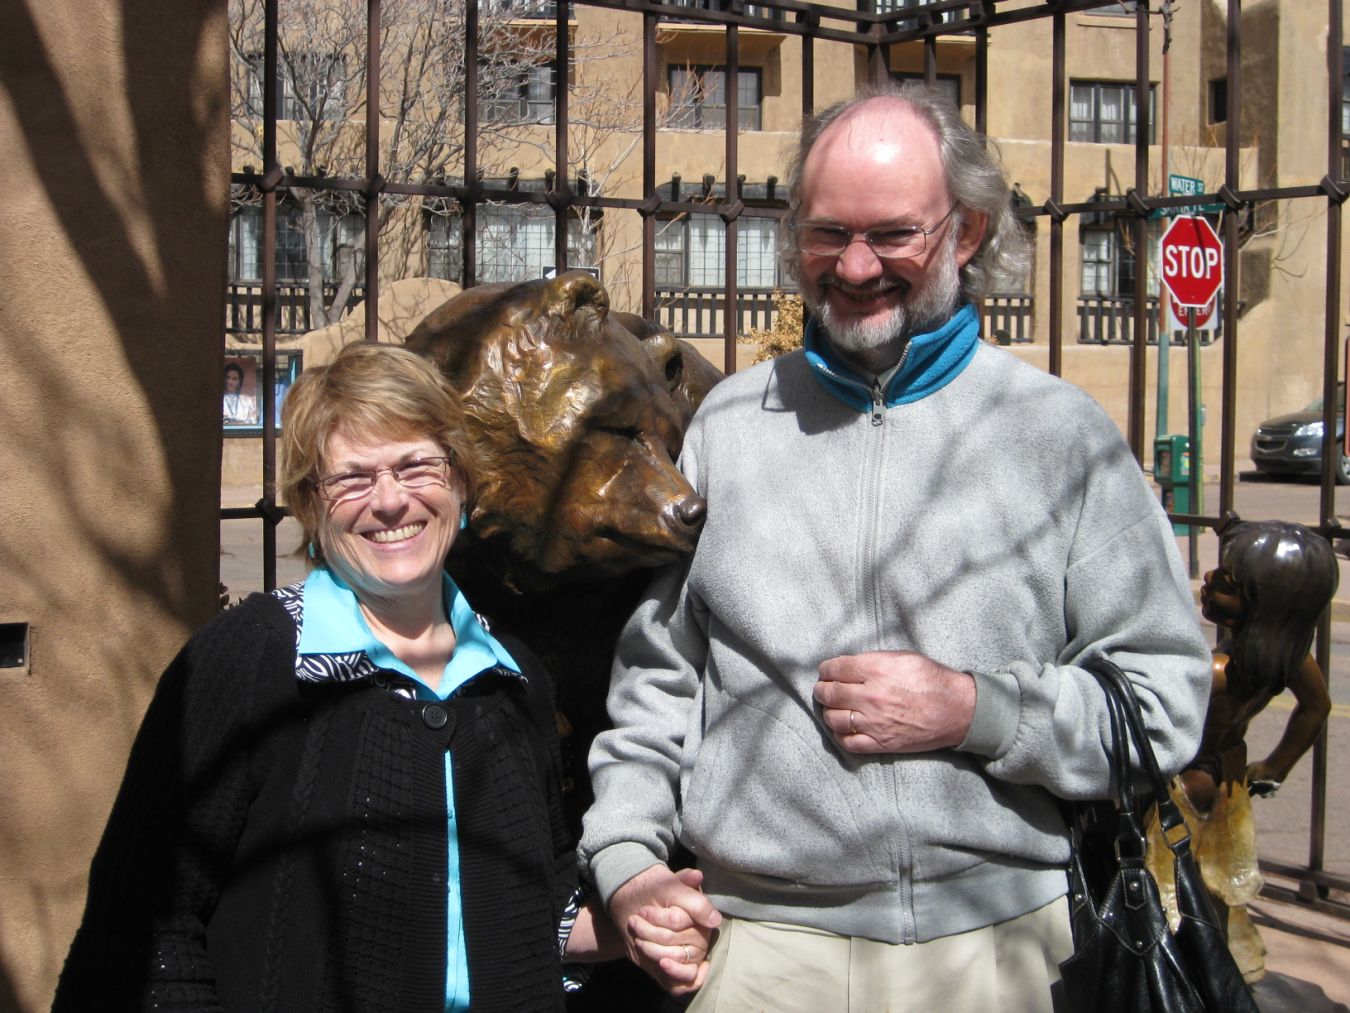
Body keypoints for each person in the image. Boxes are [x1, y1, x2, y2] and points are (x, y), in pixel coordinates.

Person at [579, 82, 1212, 1011]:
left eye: (893, 234)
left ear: (967, 231)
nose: (855, 264)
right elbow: (658, 685)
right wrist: (629, 862)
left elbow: (1160, 705)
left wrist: (976, 709)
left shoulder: (1060, 437)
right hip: (758, 951)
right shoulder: (729, 427)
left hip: (1004, 951)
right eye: (827, 232)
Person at [54, 341, 708, 1010]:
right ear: (311, 503)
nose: (391, 501)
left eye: (416, 465)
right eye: (353, 478)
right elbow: (142, 928)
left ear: (459, 481)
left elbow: (531, 911)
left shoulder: (513, 680)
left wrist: (637, 918)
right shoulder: (247, 663)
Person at [1147, 519, 1338, 980]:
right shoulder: (1290, 661)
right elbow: (1316, 707)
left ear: (1262, 607)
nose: (1209, 579)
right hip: (1229, 778)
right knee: (1214, 881)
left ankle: (1177, 971)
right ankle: (1223, 965)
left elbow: (1155, 722)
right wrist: (1274, 767)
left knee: (1167, 880)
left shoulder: (1215, 672)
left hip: (1182, 780)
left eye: (1227, 583)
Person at [222, 360, 258, 425]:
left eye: (234, 379)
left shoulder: (248, 401)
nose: (230, 382)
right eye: (228, 378)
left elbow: (253, 421)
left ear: (239, 381)